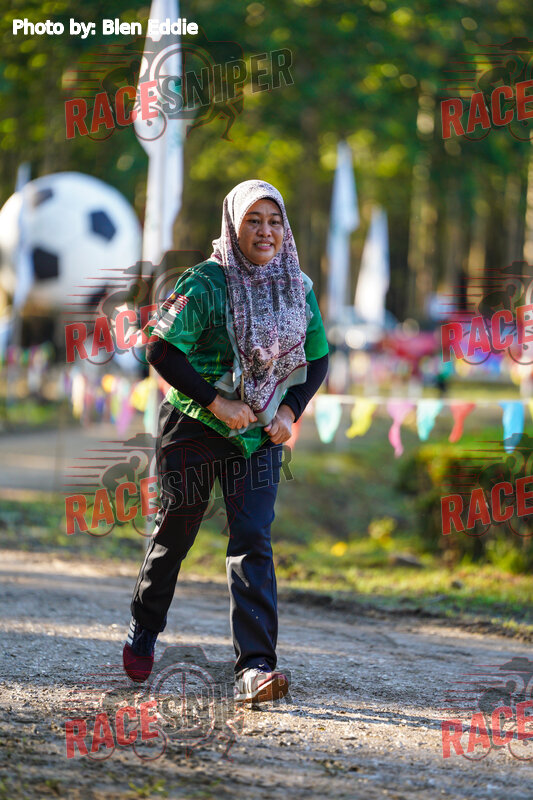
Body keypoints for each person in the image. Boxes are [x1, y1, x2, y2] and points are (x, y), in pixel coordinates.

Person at [123, 179, 329, 703]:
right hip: (195, 424)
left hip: (258, 437)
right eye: (252, 221)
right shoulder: (206, 282)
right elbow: (160, 348)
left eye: (274, 221)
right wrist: (218, 403)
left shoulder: (297, 286)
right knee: (176, 530)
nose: (265, 232)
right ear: (233, 227)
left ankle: (255, 668)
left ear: (285, 229)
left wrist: (289, 410)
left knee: (252, 538)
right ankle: (145, 625)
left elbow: (319, 358)